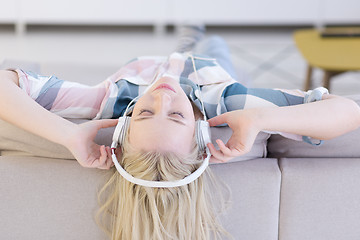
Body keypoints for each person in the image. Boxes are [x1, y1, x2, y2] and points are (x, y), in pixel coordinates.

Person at [1, 26, 360, 239]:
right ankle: (201, 35)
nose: (161, 96)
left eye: (143, 113)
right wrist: (261, 117)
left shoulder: (107, 102)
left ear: (124, 125)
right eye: (176, 116)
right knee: (214, 46)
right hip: (209, 69)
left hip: (142, 63)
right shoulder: (231, 103)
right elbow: (349, 112)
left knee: (188, 41)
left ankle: (192, 34)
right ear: (202, 133)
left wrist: (67, 134)